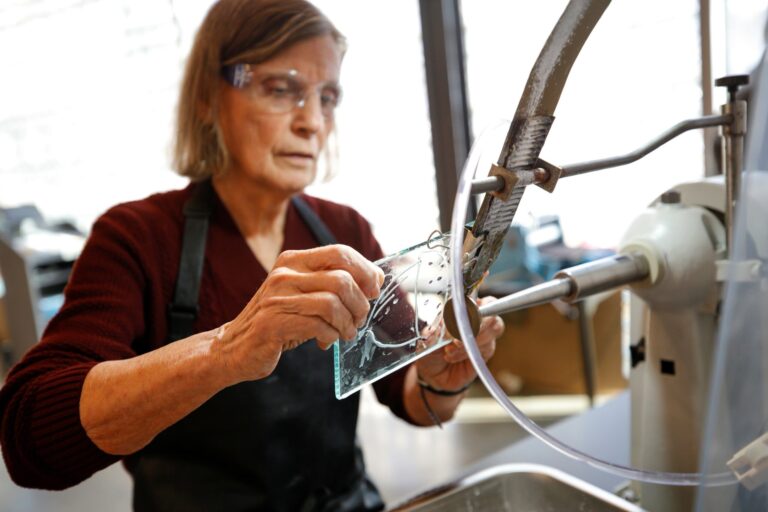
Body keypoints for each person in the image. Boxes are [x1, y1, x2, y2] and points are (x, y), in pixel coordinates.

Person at [0, 1, 504, 510]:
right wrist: (226, 350)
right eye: (282, 89)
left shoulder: (344, 231)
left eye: (327, 97)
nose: (312, 122)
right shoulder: (138, 238)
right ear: (207, 98)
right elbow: (32, 440)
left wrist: (441, 380)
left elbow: (406, 391)